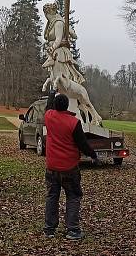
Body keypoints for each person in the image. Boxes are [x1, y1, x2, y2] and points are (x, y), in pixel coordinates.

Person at [43, 93, 98, 240]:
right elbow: (83, 144)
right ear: (67, 105)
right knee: (73, 197)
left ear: (55, 106)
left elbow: (48, 106)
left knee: (52, 197)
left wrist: (52, 91)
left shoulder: (49, 117)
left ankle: (49, 229)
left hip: (52, 167)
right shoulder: (73, 122)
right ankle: (72, 230)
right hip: (69, 168)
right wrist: (93, 155)